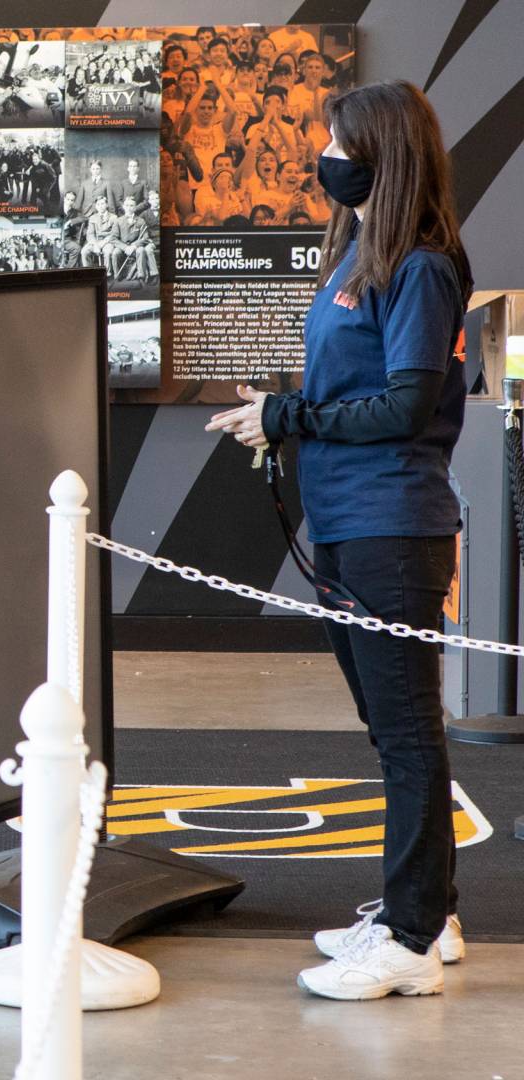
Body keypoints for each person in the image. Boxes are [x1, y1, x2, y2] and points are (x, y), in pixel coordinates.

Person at [206, 80, 473, 1002]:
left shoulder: (424, 269)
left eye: (334, 141)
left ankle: (409, 937)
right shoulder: (360, 254)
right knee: (389, 730)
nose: (322, 156)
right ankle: (427, 909)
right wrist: (282, 415)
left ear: (378, 153)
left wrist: (289, 415)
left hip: (393, 527)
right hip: (350, 523)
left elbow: (405, 404)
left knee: (406, 737)